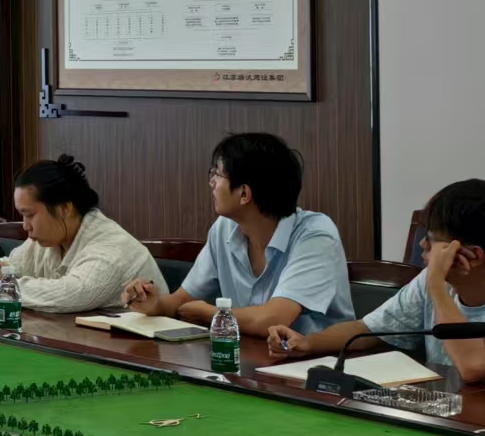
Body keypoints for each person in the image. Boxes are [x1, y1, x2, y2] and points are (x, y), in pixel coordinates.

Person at [266, 179, 485, 385]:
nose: (422, 246)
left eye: (433, 240)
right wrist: (308, 343)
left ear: (472, 255)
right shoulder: (434, 280)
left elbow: (474, 367)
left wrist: (438, 286)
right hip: (463, 415)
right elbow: (367, 330)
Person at [121, 132, 352, 337]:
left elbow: (273, 319)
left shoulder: (315, 236)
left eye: (218, 174)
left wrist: (213, 314)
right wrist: (153, 303)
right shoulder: (224, 228)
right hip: (248, 354)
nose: (211, 182)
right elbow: (181, 301)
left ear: (244, 194)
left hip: (318, 362)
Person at [0, 156, 166, 312]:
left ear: (64, 209)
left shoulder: (111, 247)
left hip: (144, 348)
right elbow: (17, 267)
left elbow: (71, 293)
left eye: (30, 215)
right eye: (22, 215)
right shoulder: (51, 236)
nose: (26, 226)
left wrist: (2, 284)